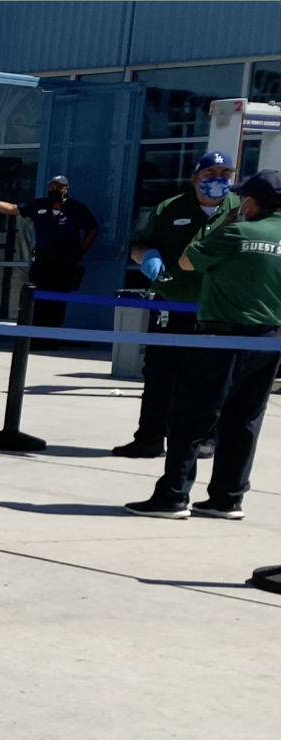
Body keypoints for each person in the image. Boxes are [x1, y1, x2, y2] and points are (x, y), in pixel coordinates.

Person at [125, 169, 281, 520]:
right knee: (245, 420)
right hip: (268, 340)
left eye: (243, 198)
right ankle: (227, 498)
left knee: (192, 415)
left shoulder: (237, 231)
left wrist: (223, 221)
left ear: (253, 201)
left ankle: (173, 495)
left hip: (221, 336)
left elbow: (187, 260)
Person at [114, 151, 238, 459]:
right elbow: (138, 247)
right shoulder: (169, 208)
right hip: (172, 303)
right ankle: (150, 438)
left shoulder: (240, 209)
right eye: (211, 174)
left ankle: (206, 438)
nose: (218, 180)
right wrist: (148, 257)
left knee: (210, 376)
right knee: (160, 373)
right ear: (196, 177)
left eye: (225, 174)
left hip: (218, 309)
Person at [0, 175, 99, 330]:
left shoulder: (76, 208)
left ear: (66, 189)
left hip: (65, 264)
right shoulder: (39, 205)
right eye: (52, 187)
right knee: (37, 300)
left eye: (58, 187)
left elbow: (93, 229)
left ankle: (51, 338)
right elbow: (10, 209)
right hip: (42, 263)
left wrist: (80, 252)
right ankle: (34, 338)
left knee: (57, 303)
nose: (54, 190)